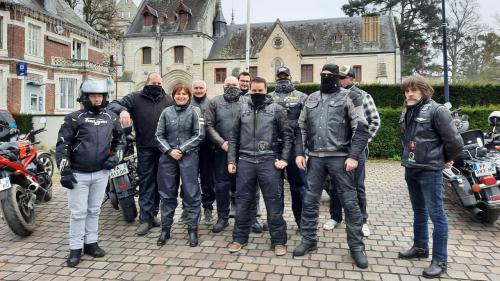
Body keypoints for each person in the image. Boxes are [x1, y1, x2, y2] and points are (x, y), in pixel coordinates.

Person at [293, 64, 370, 269]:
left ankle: (356, 247)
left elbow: (362, 128)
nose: (326, 78)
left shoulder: (350, 97)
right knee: (309, 201)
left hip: (340, 157)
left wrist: (354, 155)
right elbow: (300, 127)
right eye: (323, 75)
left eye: (330, 75)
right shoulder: (310, 98)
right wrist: (300, 153)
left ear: (338, 77)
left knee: (350, 202)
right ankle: (309, 239)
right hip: (315, 159)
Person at [398, 76, 463, 278]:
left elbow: (455, 141)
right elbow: (406, 138)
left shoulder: (438, 110)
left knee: (437, 215)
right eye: (407, 90)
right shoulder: (407, 110)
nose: (410, 93)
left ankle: (440, 260)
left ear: (424, 90)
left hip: (430, 170)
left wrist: (446, 158)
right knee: (419, 210)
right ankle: (420, 247)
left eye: (414, 90)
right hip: (411, 167)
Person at [56, 79, 124, 267]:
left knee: (95, 210)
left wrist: (115, 158)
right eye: (93, 95)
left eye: (100, 95)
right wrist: (64, 171)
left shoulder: (111, 117)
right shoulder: (73, 118)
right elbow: (63, 145)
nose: (97, 99)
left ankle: (91, 243)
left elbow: (121, 140)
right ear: (85, 97)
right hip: (79, 174)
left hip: (102, 172)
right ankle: (75, 248)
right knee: (78, 213)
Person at [227, 77, 292, 256]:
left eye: (260, 91)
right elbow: (233, 138)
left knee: (274, 202)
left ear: (266, 90)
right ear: (249, 90)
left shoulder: (276, 109)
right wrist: (232, 161)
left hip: (268, 161)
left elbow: (288, 136)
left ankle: (278, 241)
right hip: (246, 161)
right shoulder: (242, 109)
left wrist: (284, 159)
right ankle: (239, 238)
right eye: (253, 91)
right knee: (243, 202)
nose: (257, 94)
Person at [108, 72, 174, 236]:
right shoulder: (135, 98)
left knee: (160, 183)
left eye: (159, 83)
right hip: (145, 147)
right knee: (146, 183)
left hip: (164, 149)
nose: (156, 86)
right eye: (153, 82)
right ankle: (145, 219)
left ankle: (153, 215)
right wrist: (123, 110)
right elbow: (112, 104)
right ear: (147, 82)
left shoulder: (168, 100)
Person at [324, 65, 381, 237]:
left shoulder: (363, 96)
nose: (340, 81)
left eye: (344, 78)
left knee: (358, 187)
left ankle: (362, 221)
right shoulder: (332, 96)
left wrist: (360, 143)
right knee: (334, 186)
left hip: (355, 152)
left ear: (353, 79)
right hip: (336, 150)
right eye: (338, 78)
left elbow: (374, 121)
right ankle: (335, 217)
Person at [155, 84, 205, 247]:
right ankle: (166, 229)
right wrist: (169, 151)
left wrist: (181, 149)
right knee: (167, 193)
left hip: (188, 157)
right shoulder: (166, 112)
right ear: (173, 95)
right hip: (168, 158)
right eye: (178, 93)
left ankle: (192, 229)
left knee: (191, 193)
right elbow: (158, 135)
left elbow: (199, 134)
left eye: (184, 94)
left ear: (189, 96)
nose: (181, 96)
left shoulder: (195, 111)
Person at [205, 76, 245, 233]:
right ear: (223, 86)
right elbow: (208, 125)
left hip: (243, 151)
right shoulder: (214, 102)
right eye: (228, 84)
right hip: (222, 150)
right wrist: (221, 143)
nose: (231, 87)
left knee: (245, 185)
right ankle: (222, 218)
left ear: (240, 85)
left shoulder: (247, 101)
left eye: (234, 84)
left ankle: (247, 218)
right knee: (221, 185)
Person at [268, 67, 307, 230]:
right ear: (276, 78)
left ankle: (301, 220)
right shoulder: (268, 97)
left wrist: (303, 150)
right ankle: (275, 221)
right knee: (274, 188)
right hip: (273, 147)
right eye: (280, 76)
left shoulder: (302, 97)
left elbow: (306, 124)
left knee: (298, 187)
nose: (283, 78)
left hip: (294, 147)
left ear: (291, 77)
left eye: (285, 75)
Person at [191, 80, 215, 223]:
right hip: (191, 148)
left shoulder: (211, 104)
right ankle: (189, 208)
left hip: (207, 148)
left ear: (205, 89)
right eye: (196, 88)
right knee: (189, 180)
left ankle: (208, 208)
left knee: (207, 180)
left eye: (201, 88)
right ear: (192, 89)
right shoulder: (188, 103)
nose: (199, 90)